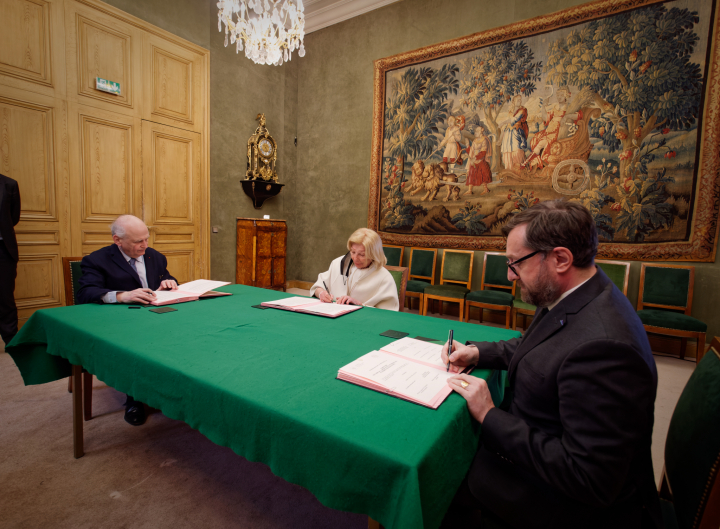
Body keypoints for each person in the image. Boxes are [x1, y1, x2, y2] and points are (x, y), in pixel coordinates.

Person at [440, 200, 661, 529]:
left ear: (560, 258)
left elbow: (588, 478)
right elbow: (542, 347)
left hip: (556, 504)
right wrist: (476, 352)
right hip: (537, 459)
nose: (509, 275)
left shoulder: (605, 348)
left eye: (516, 263)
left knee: (440, 476)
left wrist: (489, 414)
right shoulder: (577, 294)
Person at [77, 214, 179, 426]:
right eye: (138, 241)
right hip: (120, 322)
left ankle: (173, 388)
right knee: (138, 346)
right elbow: (86, 293)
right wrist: (122, 295)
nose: (144, 246)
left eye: (147, 239)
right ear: (117, 240)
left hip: (156, 316)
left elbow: (166, 277)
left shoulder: (155, 256)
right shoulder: (96, 260)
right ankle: (135, 399)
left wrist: (170, 282)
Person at [310, 228, 399, 311]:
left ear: (374, 254)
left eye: (362, 254)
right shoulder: (338, 263)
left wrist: (360, 304)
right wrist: (321, 293)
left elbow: (388, 313)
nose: (355, 258)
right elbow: (318, 287)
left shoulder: (384, 278)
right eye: (352, 252)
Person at [522, 87, 580, 170]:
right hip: (549, 131)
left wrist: (567, 116)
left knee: (541, 143)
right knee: (537, 141)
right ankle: (526, 164)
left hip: (558, 132)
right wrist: (543, 107)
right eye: (558, 95)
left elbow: (577, 116)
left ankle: (525, 163)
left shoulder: (569, 107)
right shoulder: (556, 107)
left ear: (566, 96)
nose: (559, 97)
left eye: (561, 95)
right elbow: (546, 118)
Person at [0, 173, 21, 347]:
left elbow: (12, 218)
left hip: (3, 249)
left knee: (5, 296)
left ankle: (10, 338)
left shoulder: (9, 184)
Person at [500, 94, 529, 170]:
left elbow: (514, 120)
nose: (520, 101)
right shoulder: (510, 111)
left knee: (517, 150)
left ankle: (519, 170)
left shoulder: (522, 110)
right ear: (514, 102)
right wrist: (501, 138)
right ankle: (509, 170)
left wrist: (503, 122)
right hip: (508, 133)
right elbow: (507, 125)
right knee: (508, 151)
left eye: (520, 100)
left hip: (517, 132)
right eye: (518, 100)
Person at [464, 124, 492, 196]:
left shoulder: (484, 140)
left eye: (477, 131)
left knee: (482, 174)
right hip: (474, 160)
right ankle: (470, 190)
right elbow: (472, 151)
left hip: (481, 159)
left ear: (480, 132)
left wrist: (475, 158)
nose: (475, 133)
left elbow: (483, 152)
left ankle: (486, 189)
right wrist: (468, 151)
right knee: (471, 174)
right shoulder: (475, 140)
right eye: (475, 131)